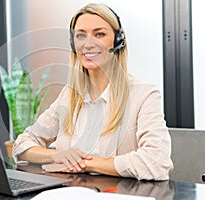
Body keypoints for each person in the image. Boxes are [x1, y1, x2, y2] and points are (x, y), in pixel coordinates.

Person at [12, 3, 173, 180]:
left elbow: (156, 162)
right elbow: (22, 144)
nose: (88, 44)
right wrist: (55, 156)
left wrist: (85, 164)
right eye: (81, 35)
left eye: (100, 34)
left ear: (118, 41)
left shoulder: (144, 96)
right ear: (73, 44)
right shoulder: (69, 95)